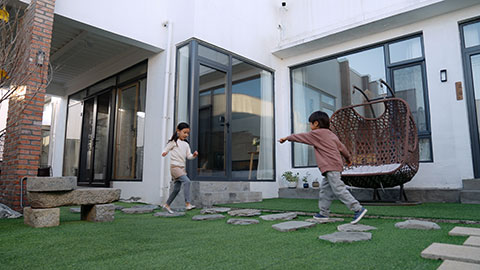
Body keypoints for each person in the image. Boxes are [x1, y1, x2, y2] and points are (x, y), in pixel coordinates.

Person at [279, 111, 367, 224]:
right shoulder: (331, 134)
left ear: (316, 123)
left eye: (310, 124)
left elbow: (301, 137)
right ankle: (323, 213)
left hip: (330, 167)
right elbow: (342, 148)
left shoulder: (316, 133)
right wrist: (348, 159)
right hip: (334, 166)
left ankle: (358, 209)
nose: (310, 127)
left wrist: (287, 138)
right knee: (325, 190)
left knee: (338, 189)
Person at [161, 122, 198, 214]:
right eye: (184, 132)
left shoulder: (186, 144)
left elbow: (188, 156)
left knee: (176, 189)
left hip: (181, 168)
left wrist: (193, 155)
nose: (186, 135)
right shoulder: (174, 142)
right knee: (187, 181)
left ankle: (167, 205)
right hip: (175, 167)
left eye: (187, 133)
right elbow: (166, 149)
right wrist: (164, 152)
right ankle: (188, 203)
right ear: (178, 131)